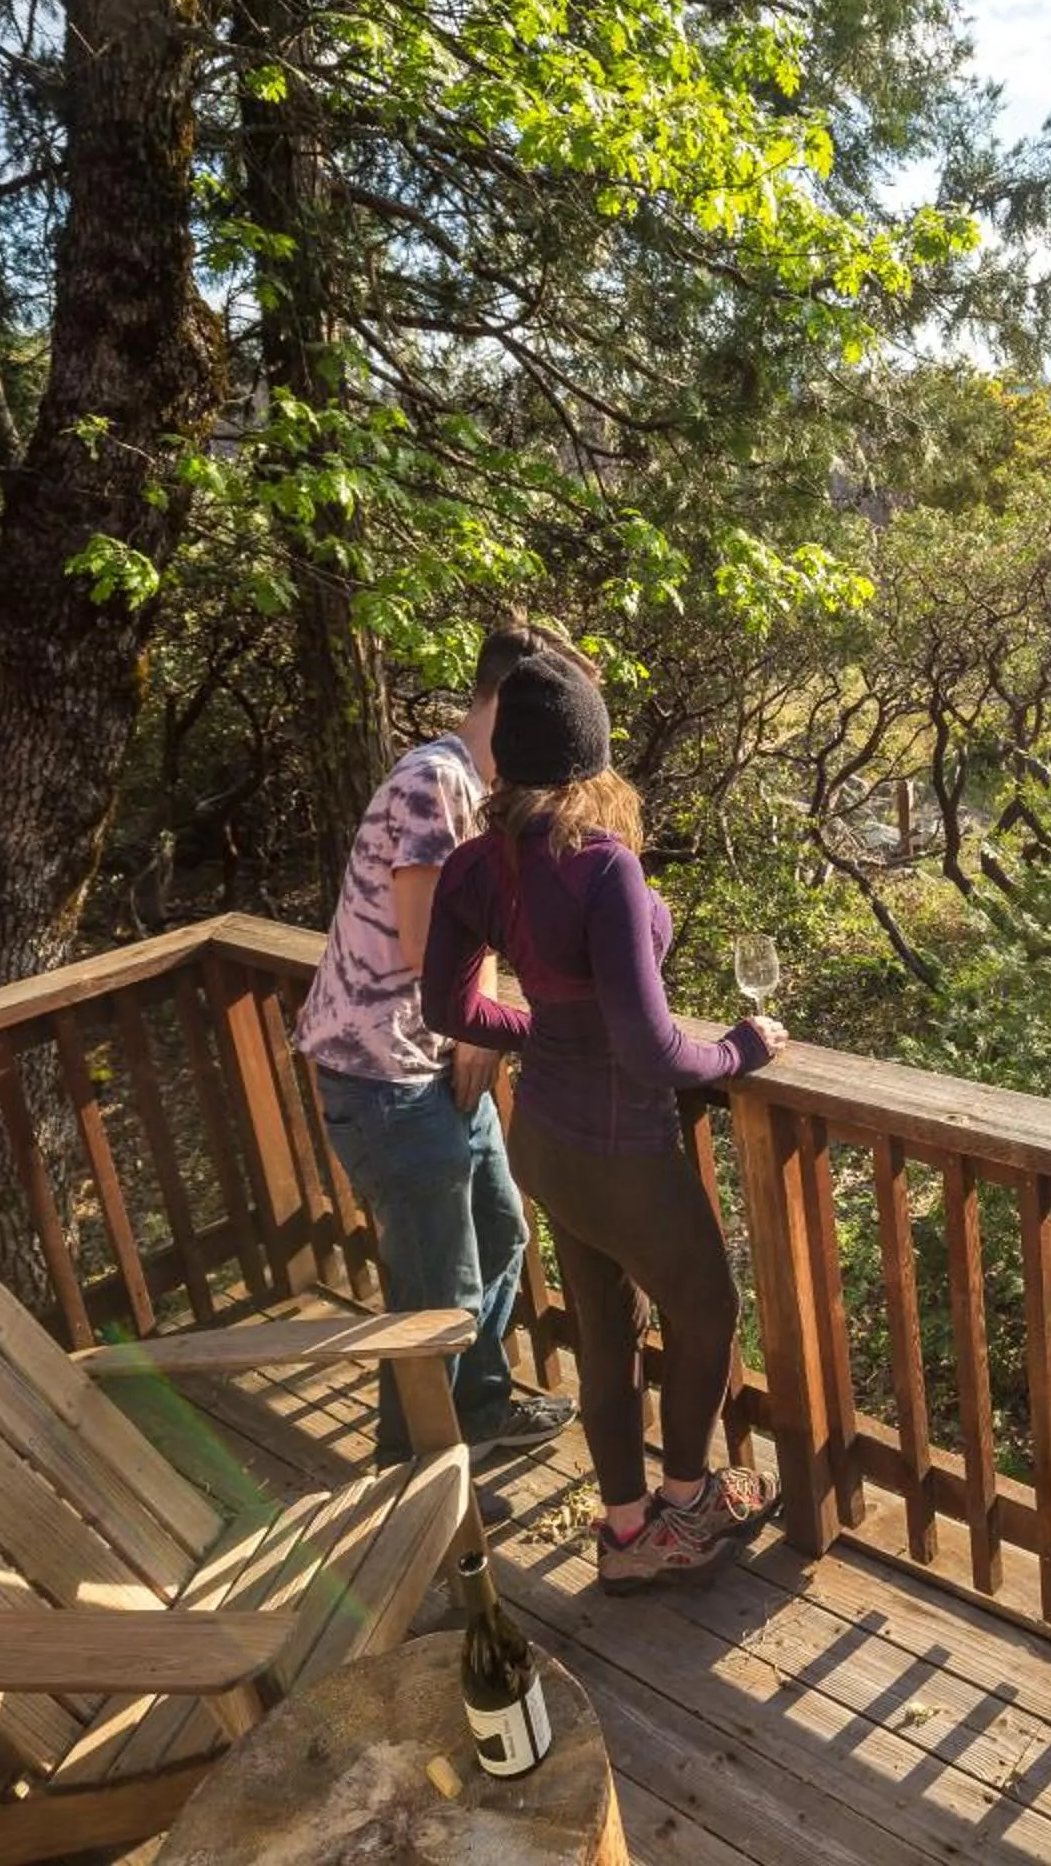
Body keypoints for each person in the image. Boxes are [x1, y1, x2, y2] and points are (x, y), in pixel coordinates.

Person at [419, 651, 787, 1592]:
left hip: (545, 1139)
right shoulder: (603, 866)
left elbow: (452, 1010)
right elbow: (656, 1052)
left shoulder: (477, 863)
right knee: (708, 1311)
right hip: (623, 1148)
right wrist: (741, 1048)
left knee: (605, 1331)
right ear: (593, 758)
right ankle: (689, 1501)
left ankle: (624, 1531)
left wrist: (536, 1027)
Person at [294, 627, 579, 1477]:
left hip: (437, 1067)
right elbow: (430, 947)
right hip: (384, 1079)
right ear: (513, 701)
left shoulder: (471, 787)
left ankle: (479, 1413)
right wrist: (489, 1028)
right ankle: (415, 1475)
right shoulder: (432, 784)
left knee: (500, 1238)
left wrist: (481, 1034)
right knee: (435, 1297)